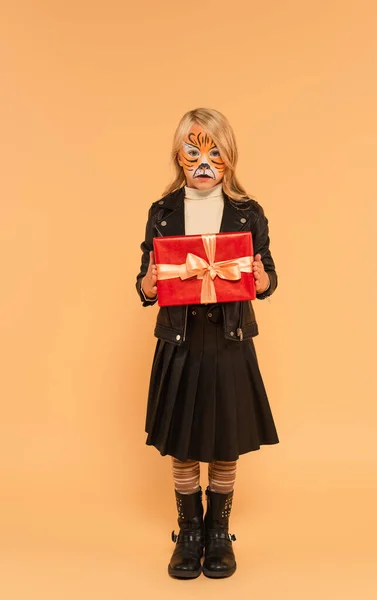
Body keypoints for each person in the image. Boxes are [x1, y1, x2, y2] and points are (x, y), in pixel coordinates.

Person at [135, 107, 279, 579]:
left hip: (229, 337)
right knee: (183, 439)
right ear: (178, 156)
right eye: (193, 150)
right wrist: (149, 285)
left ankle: (219, 532)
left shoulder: (247, 211)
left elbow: (268, 274)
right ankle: (190, 531)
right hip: (180, 338)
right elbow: (143, 277)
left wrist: (262, 279)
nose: (203, 162)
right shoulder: (163, 212)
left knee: (224, 438)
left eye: (214, 152)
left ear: (229, 157)